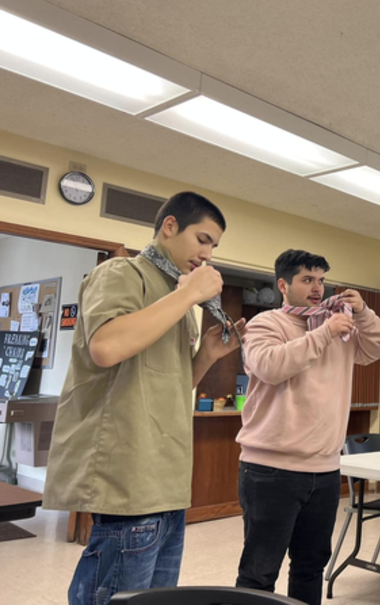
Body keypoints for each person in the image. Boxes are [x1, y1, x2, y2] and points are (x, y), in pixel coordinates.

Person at [43, 192, 245, 605]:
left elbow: (169, 386)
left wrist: (206, 355)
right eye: (202, 239)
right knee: (116, 597)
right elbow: (106, 347)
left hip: (167, 481)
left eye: (214, 247)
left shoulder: (176, 298)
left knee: (152, 600)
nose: (207, 255)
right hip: (128, 477)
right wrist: (189, 295)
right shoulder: (123, 274)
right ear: (169, 226)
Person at [235, 249, 380, 603]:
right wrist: (326, 333)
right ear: (283, 285)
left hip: (326, 469)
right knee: (259, 571)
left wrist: (362, 312)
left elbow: (376, 347)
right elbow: (271, 366)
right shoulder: (266, 323)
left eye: (321, 280)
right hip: (271, 469)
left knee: (311, 566)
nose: (317, 288)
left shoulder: (341, 327)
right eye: (307, 280)